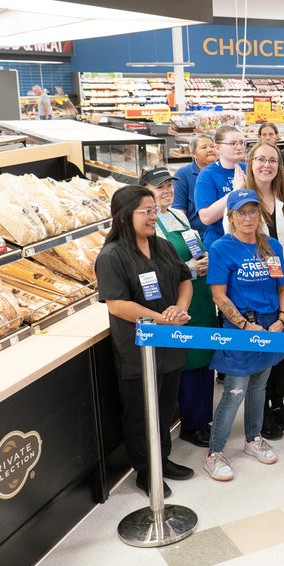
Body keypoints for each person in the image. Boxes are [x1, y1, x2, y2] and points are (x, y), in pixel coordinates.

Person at [95, 185, 195, 498]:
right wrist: (162, 320)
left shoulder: (162, 246)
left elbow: (185, 279)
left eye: (155, 210)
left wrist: (180, 309)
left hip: (169, 344)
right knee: (140, 412)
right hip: (137, 350)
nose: (154, 217)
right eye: (147, 211)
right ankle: (145, 470)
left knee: (165, 406)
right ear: (125, 217)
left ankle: (162, 460)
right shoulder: (111, 256)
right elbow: (117, 305)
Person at [204, 189, 284, 481]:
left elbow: (283, 288)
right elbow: (218, 295)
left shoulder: (272, 246)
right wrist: (243, 325)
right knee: (235, 390)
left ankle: (253, 439)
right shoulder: (221, 248)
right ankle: (214, 452)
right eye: (241, 212)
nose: (248, 217)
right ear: (231, 216)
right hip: (240, 328)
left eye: (253, 211)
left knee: (259, 386)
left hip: (270, 326)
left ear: (260, 214)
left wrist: (281, 319)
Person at [141, 167, 218, 449]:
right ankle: (191, 424)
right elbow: (153, 270)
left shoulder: (179, 215)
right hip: (176, 299)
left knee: (205, 357)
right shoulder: (148, 227)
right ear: (145, 191)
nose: (167, 190)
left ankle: (204, 418)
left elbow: (194, 248)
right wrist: (189, 269)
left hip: (200, 298)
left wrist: (206, 259)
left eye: (169, 185)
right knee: (186, 362)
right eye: (159, 186)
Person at [236, 141, 284, 439]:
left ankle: (278, 404)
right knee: (258, 357)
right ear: (251, 163)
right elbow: (235, 251)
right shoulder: (239, 202)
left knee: (281, 354)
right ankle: (260, 410)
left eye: (273, 161)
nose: (267, 165)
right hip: (256, 297)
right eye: (261, 159)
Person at [195, 125, 247, 248]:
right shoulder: (207, 175)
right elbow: (206, 217)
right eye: (233, 143)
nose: (239, 147)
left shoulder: (249, 169)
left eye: (242, 143)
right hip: (219, 244)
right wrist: (235, 192)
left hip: (247, 242)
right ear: (218, 148)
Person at [172, 134, 218, 234]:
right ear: (193, 153)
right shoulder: (183, 174)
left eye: (212, 146)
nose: (210, 150)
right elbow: (179, 211)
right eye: (204, 147)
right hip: (198, 235)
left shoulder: (223, 170)